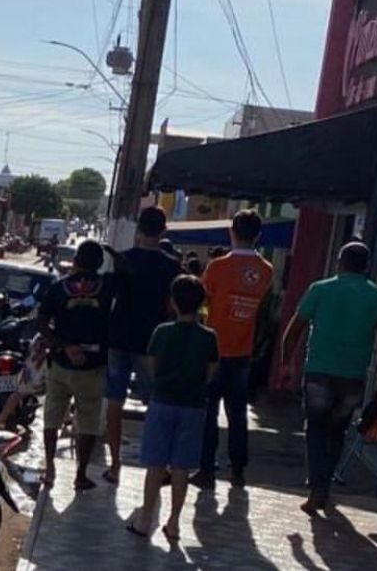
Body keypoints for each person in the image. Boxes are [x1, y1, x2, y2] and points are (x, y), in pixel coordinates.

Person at [280, 242, 377, 515]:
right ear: (367, 266)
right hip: (353, 375)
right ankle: (324, 486)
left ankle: (318, 485)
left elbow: (295, 328)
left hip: (319, 370)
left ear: (339, 261)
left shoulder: (320, 289)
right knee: (337, 430)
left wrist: (287, 363)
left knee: (316, 428)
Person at [129, 274, 219, 541]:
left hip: (163, 402)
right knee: (181, 467)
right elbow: (211, 373)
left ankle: (145, 520)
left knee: (155, 464)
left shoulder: (162, 332)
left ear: (173, 303)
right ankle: (175, 522)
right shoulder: (209, 337)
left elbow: (152, 367)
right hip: (193, 406)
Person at [192, 209, 274, 490]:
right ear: (258, 235)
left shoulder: (217, 267)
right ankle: (238, 470)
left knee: (209, 413)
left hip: (214, 349)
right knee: (238, 415)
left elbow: (203, 302)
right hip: (243, 352)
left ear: (232, 232)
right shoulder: (267, 270)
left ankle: (206, 469)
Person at [103, 206, 183, 484]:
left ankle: (115, 464)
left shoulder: (123, 259)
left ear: (138, 229)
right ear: (163, 231)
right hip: (152, 341)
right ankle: (156, 465)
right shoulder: (172, 267)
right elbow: (174, 308)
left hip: (118, 338)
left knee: (115, 400)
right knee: (156, 405)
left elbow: (109, 298)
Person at [37, 240, 120, 491]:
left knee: (52, 417)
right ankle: (80, 475)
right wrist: (114, 253)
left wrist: (64, 346)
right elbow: (129, 274)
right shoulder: (107, 287)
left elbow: (41, 324)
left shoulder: (59, 288)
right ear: (100, 263)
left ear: (75, 261)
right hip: (93, 366)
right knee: (89, 423)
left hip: (61, 363)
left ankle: (50, 467)